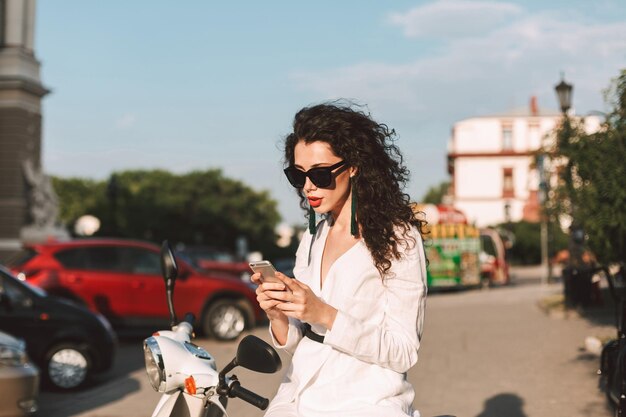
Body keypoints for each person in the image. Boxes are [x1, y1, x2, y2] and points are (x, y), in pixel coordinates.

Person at [252, 102, 428, 417]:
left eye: (320, 174)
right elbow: (301, 343)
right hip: (297, 398)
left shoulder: (398, 239)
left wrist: (325, 313)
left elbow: (403, 352)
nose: (308, 186)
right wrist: (277, 313)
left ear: (354, 166)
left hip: (366, 403)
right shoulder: (312, 237)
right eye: (298, 175)